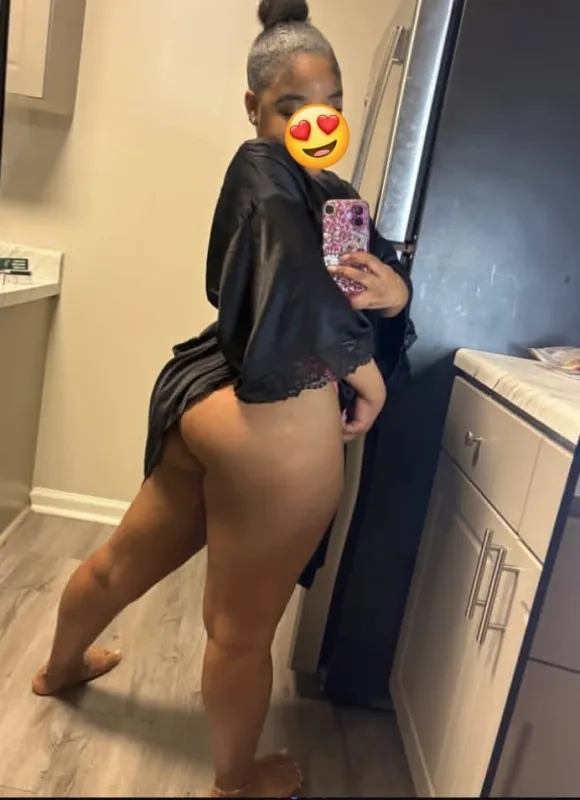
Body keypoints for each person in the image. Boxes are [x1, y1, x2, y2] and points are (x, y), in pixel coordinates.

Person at [31, 0, 414, 796]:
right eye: (291, 107)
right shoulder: (261, 167)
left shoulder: (337, 197)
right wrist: (361, 365)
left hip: (211, 406)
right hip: (271, 424)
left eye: (330, 106)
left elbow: (352, 287)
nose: (313, 124)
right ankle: (237, 782)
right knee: (240, 633)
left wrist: (396, 294)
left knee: (120, 564)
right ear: (254, 106)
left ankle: (58, 668)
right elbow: (293, 275)